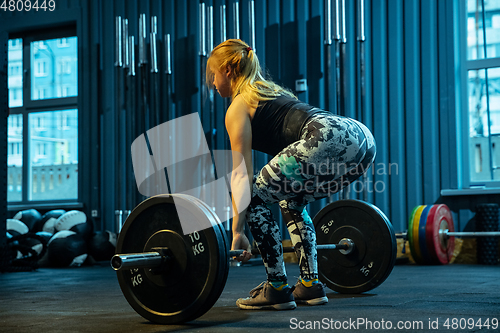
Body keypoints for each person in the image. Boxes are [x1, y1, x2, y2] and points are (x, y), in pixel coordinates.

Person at [206, 39, 376, 311]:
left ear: (227, 70)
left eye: (212, 74)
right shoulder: (272, 92)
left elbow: (241, 175)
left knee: (254, 195)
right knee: (292, 201)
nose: (212, 83)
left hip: (327, 134)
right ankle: (310, 285)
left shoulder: (238, 106)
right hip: (362, 139)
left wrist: (237, 231)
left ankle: (276, 287)